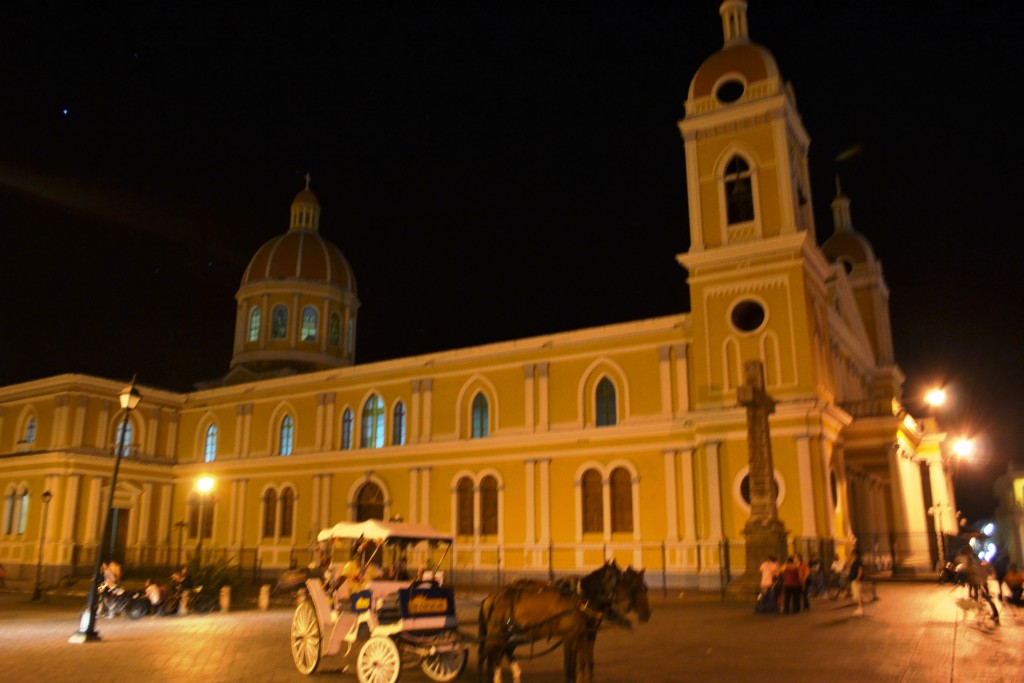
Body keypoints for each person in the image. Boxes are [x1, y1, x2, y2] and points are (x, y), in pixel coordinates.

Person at [848, 549, 864, 616]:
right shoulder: (853, 561)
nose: (851, 555)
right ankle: (859, 608)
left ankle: (860, 609)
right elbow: (850, 568)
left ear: (855, 554)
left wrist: (858, 579)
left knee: (858, 595)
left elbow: (860, 570)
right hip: (853, 580)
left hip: (856, 580)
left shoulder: (858, 561)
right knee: (856, 595)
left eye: (851, 554)